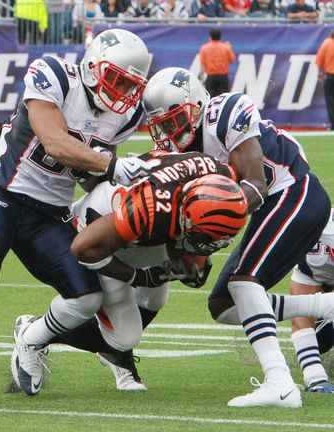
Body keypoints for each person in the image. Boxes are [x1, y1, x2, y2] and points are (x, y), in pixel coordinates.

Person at [142, 67, 333, 407]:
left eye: (174, 121)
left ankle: (280, 384)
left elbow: (256, 185)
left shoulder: (223, 114)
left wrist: (209, 228)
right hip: (270, 207)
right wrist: (189, 246)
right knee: (224, 304)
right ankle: (325, 306)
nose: (168, 133)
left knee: (245, 283)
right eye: (161, 126)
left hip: (294, 192)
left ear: (196, 105)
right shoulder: (179, 158)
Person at [0, 28, 153, 397]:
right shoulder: (55, 76)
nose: (123, 93)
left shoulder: (124, 116)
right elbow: (55, 141)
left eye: (131, 86)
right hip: (4, 197)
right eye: (117, 80)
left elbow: (85, 173)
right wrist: (109, 165)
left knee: (87, 297)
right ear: (93, 68)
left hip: (50, 215)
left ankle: (30, 339)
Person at [13, 150, 249, 395]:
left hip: (148, 227)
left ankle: (115, 356)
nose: (205, 246)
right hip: (100, 230)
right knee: (123, 337)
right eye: (202, 236)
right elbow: (83, 249)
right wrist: (136, 276)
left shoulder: (221, 178)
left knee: (154, 298)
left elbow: (200, 230)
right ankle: (34, 333)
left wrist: (194, 257)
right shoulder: (149, 210)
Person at [290, 210, 334, 394]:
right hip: (313, 264)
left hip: (319, 258)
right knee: (301, 314)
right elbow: (300, 314)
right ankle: (315, 378)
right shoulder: (314, 248)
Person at [199, 28, 235, 98]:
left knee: (210, 98)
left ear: (210, 37)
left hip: (211, 77)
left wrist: (202, 79)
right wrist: (230, 48)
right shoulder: (226, 48)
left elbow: (203, 64)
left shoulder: (204, 48)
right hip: (223, 77)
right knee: (224, 98)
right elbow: (232, 60)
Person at [316, 29, 334, 131]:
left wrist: (320, 72)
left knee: (331, 101)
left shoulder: (327, 43)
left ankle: (333, 124)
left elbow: (320, 59)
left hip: (330, 76)